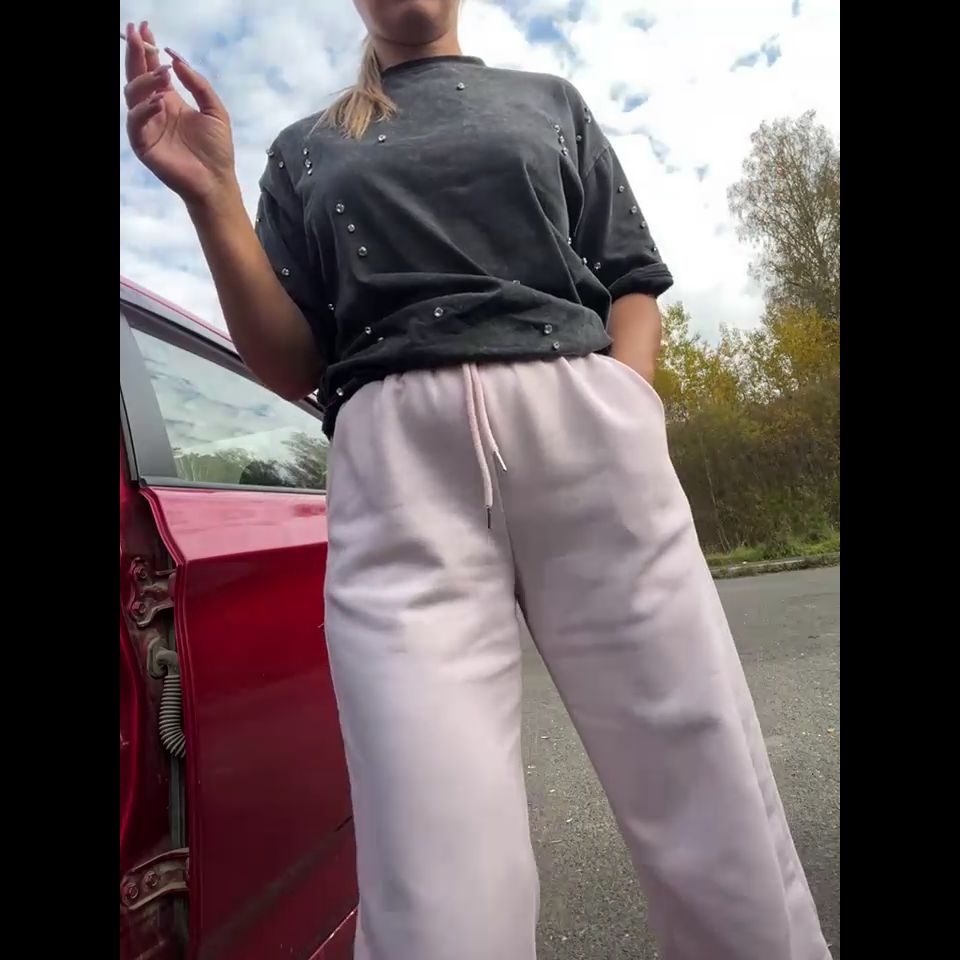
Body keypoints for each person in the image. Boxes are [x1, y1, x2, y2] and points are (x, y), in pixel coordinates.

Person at [123, 3, 831, 958]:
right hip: (397, 479)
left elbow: (631, 278)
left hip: (589, 439)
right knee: (433, 873)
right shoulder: (304, 149)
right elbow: (292, 360)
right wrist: (212, 195)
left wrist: (624, 405)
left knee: (710, 795)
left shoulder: (551, 101)